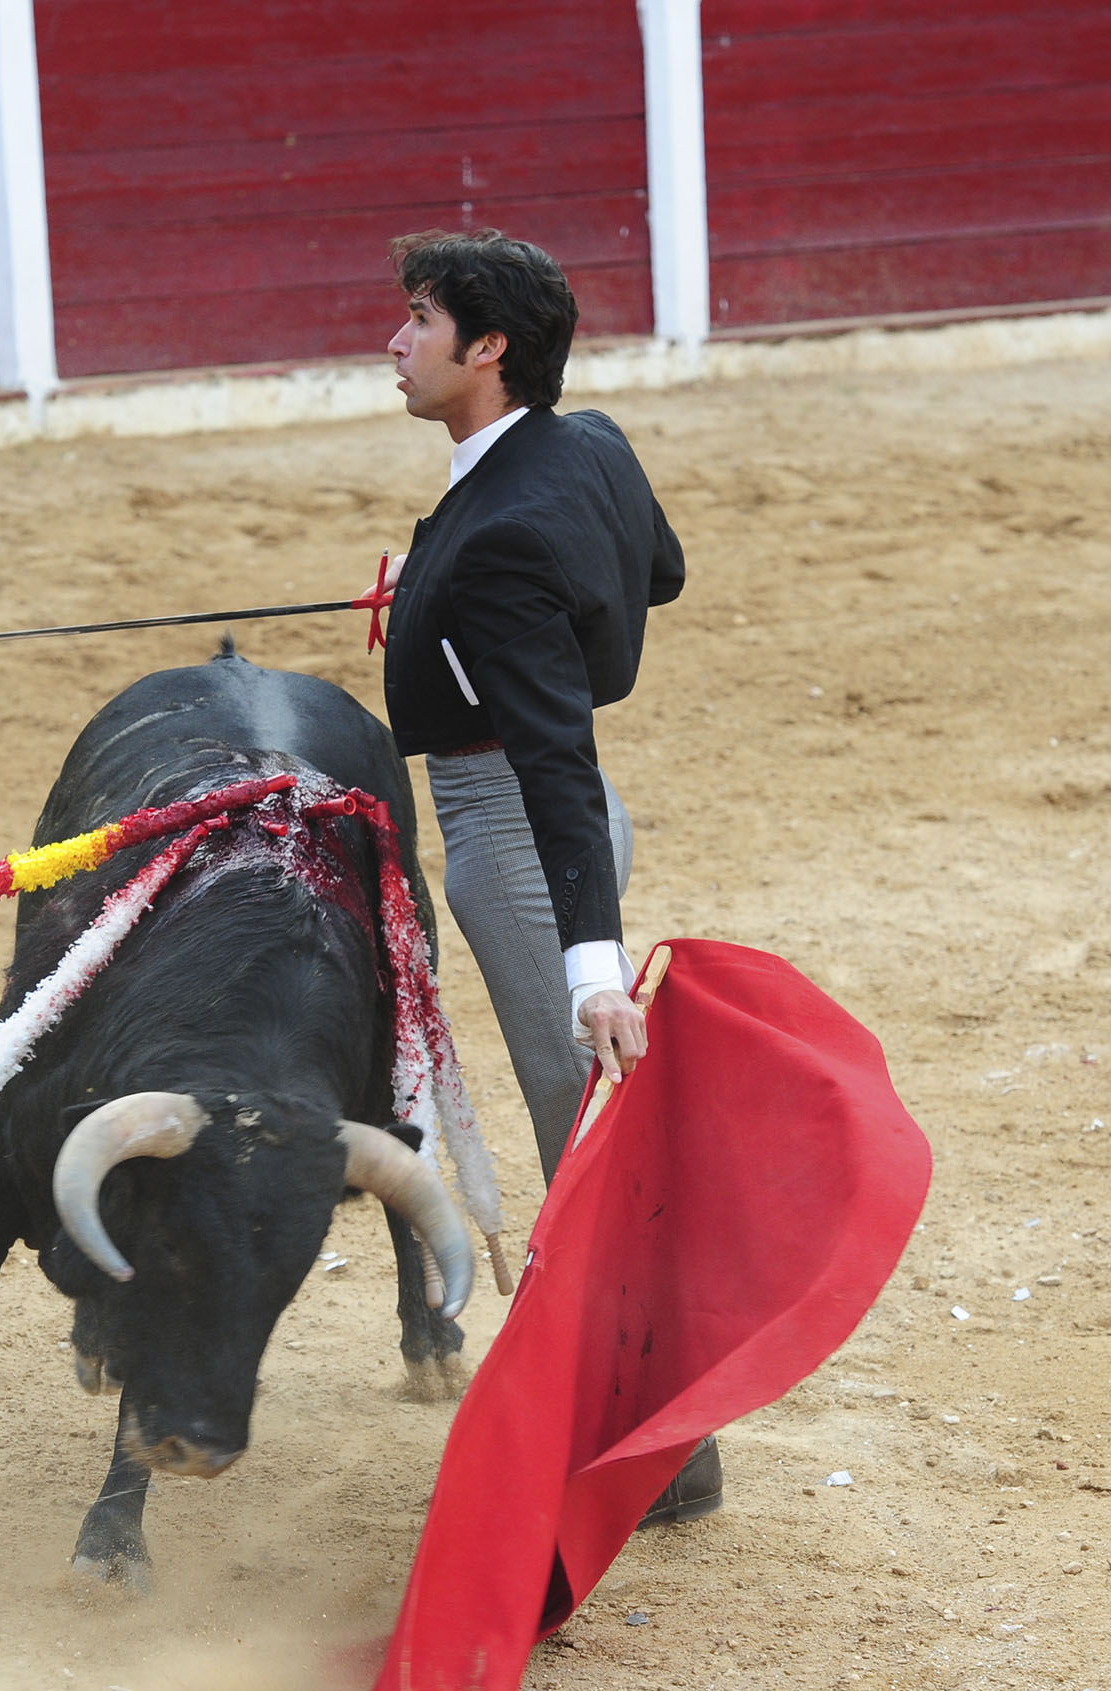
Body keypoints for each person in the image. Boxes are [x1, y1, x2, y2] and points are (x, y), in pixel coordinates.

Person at [375, 228, 718, 1525]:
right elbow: (659, 575)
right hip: (574, 825)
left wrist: (593, 974)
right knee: (590, 1136)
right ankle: (658, 1429)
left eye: (417, 319)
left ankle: (668, 1452)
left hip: (527, 847)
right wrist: (438, 616)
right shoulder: (590, 449)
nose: (393, 344)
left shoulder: (501, 534)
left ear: (486, 348)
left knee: (580, 1141)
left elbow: (553, 760)